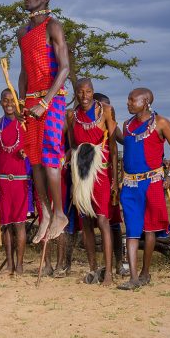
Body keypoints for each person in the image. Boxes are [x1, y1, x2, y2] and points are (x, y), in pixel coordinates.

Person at [17, 0, 71, 243]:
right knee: (34, 159)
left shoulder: (53, 25)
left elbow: (64, 69)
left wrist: (45, 102)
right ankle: (46, 213)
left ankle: (60, 213)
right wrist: (20, 101)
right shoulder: (22, 32)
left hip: (52, 99)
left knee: (50, 157)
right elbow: (24, 71)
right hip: (30, 102)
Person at [113, 88, 170, 290]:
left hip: (152, 182)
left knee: (150, 228)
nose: (128, 103)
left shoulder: (161, 122)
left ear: (145, 102)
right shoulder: (127, 125)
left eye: (132, 100)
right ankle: (134, 278)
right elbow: (125, 141)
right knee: (132, 230)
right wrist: (110, 123)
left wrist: (169, 174)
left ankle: (145, 272)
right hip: (130, 184)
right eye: (128, 99)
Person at [66, 79, 117, 286]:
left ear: (93, 92)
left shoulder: (105, 111)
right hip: (81, 175)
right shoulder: (71, 115)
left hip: (102, 174)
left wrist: (115, 179)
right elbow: (73, 147)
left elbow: (113, 148)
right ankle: (93, 270)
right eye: (80, 92)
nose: (84, 95)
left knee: (104, 221)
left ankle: (109, 274)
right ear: (75, 94)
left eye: (88, 91)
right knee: (85, 223)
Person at [0, 89, 28, 276]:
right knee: (6, 224)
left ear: (17, 102)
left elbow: (32, 148)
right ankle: (10, 264)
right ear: (0, 102)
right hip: (3, 180)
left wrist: (25, 153)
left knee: (19, 224)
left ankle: (20, 265)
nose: (9, 104)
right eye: (5, 100)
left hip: (21, 181)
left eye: (12, 100)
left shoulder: (25, 124)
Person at [94, 92, 127, 276]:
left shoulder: (111, 123)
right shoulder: (88, 122)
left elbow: (124, 141)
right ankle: (95, 265)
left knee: (113, 223)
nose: (108, 110)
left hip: (109, 176)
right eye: (105, 106)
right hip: (90, 178)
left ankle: (119, 263)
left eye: (110, 107)